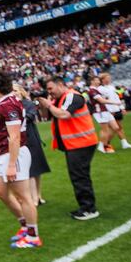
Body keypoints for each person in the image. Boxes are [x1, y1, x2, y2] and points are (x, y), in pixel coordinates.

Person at [0, 72, 41, 248]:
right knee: (1, 193)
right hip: (5, 153)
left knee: (23, 196)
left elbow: (15, 136)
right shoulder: (3, 103)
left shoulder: (9, 104)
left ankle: (33, 236)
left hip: (14, 155)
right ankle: (25, 226)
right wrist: (0, 151)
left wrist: (11, 164)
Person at [39, 77, 100, 220]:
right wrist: (44, 105)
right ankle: (86, 206)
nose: (49, 92)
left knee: (80, 176)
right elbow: (45, 116)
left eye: (51, 88)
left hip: (81, 143)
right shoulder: (60, 98)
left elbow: (64, 114)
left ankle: (89, 209)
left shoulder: (72, 96)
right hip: (75, 143)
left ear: (60, 85)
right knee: (78, 175)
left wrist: (48, 105)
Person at [15, 85, 50, 207]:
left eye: (16, 90)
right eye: (12, 91)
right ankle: (32, 198)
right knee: (28, 170)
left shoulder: (28, 103)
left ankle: (38, 196)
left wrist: (15, 117)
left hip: (31, 139)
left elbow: (30, 116)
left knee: (37, 169)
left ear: (21, 92)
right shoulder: (11, 105)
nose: (14, 93)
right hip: (20, 140)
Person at [93, 74, 131, 152]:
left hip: (116, 109)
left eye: (109, 78)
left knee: (119, 127)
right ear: (102, 80)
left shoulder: (111, 87)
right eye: (107, 78)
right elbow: (102, 101)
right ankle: (104, 144)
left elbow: (116, 97)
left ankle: (124, 143)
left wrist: (121, 107)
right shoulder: (99, 89)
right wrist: (108, 109)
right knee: (111, 129)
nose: (109, 79)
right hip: (109, 110)